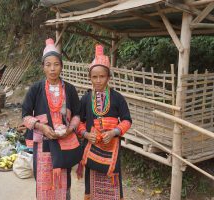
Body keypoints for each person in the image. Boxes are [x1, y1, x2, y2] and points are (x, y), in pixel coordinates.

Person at [22, 38, 82, 200]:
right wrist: (42, 127)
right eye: (48, 64)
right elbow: (25, 115)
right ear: (43, 67)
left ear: (61, 66)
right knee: (43, 181)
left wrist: (69, 129)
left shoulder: (69, 89)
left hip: (64, 141)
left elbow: (77, 114)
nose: (52, 69)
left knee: (63, 182)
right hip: (42, 144)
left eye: (56, 64)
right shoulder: (35, 89)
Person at [78, 45, 132, 200]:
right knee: (92, 189)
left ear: (109, 77)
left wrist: (114, 132)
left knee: (112, 187)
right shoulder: (86, 99)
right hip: (92, 150)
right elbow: (78, 122)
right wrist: (87, 134)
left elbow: (127, 120)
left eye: (102, 76)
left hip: (112, 152)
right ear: (90, 78)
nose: (98, 80)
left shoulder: (117, 98)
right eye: (94, 77)